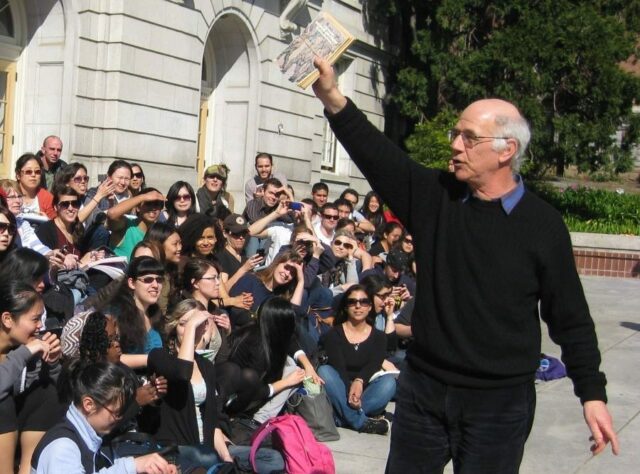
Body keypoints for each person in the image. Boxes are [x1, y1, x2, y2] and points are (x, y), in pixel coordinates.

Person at [311, 57, 618, 471]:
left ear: (506, 150)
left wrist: (592, 393)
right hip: (423, 393)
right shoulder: (438, 197)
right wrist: (333, 98)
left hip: (498, 405)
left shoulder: (542, 225)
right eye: (456, 133)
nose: (455, 144)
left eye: (468, 137)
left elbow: (571, 318)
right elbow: (379, 157)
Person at [145, 300, 284, 472]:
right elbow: (182, 372)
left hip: (208, 446)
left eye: (198, 325)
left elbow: (212, 420)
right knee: (208, 457)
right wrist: (191, 327)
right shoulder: (159, 357)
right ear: (174, 327)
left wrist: (227, 459)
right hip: (177, 448)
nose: (193, 330)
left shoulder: (206, 366)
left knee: (273, 459)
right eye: (184, 324)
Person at [32, 360, 176, 473]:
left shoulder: (95, 437)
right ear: (89, 405)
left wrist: (145, 468)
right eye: (116, 412)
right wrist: (132, 466)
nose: (120, 418)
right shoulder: (62, 448)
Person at [0, 281, 64, 474]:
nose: (40, 326)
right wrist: (26, 352)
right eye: (35, 319)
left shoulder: (22, 347)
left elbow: (50, 388)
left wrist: (52, 363)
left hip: (15, 424)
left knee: (48, 394)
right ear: (8, 319)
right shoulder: (24, 350)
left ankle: (28, 468)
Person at [318, 284, 395, 435]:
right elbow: (338, 367)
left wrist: (359, 383)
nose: (358, 306)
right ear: (346, 307)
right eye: (352, 302)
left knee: (389, 382)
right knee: (325, 371)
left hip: (365, 390)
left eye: (363, 302)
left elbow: (374, 364)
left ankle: (343, 418)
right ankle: (359, 422)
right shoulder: (334, 334)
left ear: (370, 307)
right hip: (340, 388)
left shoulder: (379, 337)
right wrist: (350, 391)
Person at [14, 153, 56, 219]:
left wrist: (47, 221)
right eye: (28, 171)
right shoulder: (8, 194)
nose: (33, 175)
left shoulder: (47, 197)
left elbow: (55, 224)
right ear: (18, 175)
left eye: (37, 172)